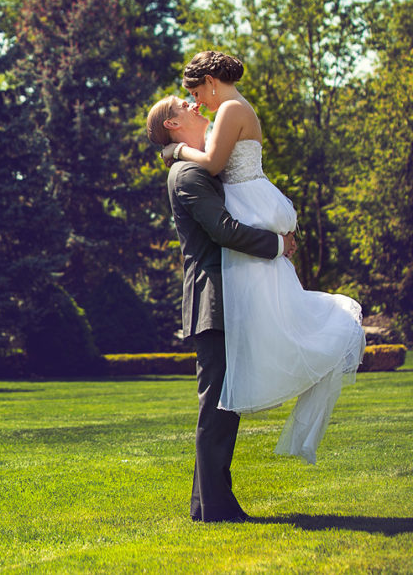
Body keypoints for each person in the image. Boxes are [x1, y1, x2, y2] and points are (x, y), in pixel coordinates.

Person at [163, 51, 365, 467]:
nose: (198, 101)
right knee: (262, 315)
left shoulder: (233, 109)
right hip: (244, 208)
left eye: (197, 91)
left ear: (212, 81)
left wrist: (178, 149)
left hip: (247, 204)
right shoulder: (231, 111)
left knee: (270, 309)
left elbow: (215, 163)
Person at [146, 93, 294, 522]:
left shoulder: (198, 164)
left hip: (228, 294)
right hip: (213, 298)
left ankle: (208, 504)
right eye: (182, 104)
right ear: (172, 124)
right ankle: (214, 508)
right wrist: (278, 244)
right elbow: (224, 230)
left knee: (223, 408)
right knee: (217, 407)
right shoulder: (188, 175)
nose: (194, 104)